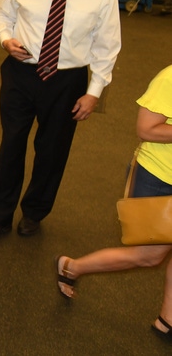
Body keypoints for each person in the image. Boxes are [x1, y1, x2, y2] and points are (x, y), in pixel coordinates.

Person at [0, 0, 121, 242]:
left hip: (67, 81)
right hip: (21, 73)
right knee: (11, 144)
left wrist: (94, 91)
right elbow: (2, 12)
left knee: (52, 150)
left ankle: (34, 212)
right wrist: (5, 39)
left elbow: (107, 44)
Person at [56, 64, 172, 340]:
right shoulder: (169, 79)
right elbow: (146, 129)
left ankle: (167, 320)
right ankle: (71, 266)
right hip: (159, 177)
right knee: (150, 255)